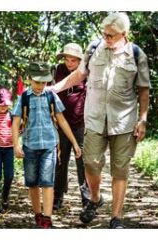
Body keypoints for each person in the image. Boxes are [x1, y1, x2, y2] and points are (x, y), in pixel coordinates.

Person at [50, 12, 151, 228]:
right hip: (94, 118)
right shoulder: (94, 48)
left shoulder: (136, 54)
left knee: (120, 169)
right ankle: (95, 198)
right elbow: (79, 74)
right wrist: (54, 88)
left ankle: (116, 217)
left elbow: (143, 89)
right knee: (91, 163)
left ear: (124, 34)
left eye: (111, 35)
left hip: (124, 122)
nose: (106, 38)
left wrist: (142, 119)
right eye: (104, 34)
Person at [12, 62, 81, 229]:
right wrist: (15, 145)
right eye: (37, 82)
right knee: (32, 183)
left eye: (44, 82)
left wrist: (74, 142)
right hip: (30, 146)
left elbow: (61, 120)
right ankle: (38, 216)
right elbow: (15, 123)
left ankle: (47, 219)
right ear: (29, 80)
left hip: (49, 145)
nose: (40, 86)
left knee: (48, 182)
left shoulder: (51, 96)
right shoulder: (24, 97)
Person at [53, 43, 90, 210]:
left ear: (79, 60)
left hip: (81, 123)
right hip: (61, 122)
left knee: (82, 161)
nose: (69, 63)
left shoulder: (86, 72)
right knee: (61, 161)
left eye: (73, 60)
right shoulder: (59, 70)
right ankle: (58, 196)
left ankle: (86, 198)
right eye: (67, 59)